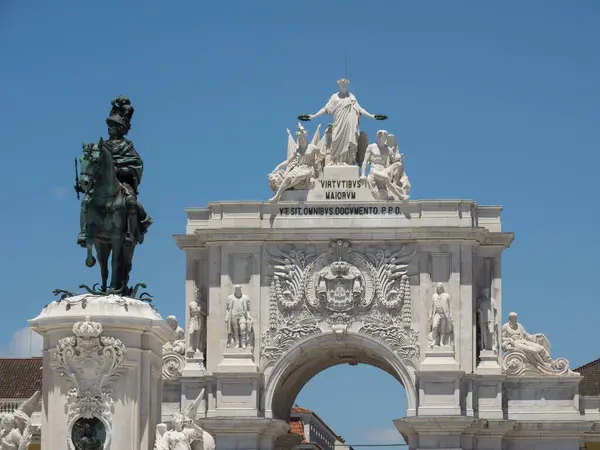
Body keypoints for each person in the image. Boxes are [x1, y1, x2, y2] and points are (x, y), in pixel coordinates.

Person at [77, 96, 153, 248]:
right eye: (109, 126)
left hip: (122, 183)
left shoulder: (127, 146)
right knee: (86, 202)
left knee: (131, 202)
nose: (110, 129)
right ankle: (84, 232)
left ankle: (131, 233)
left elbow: (137, 164)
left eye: (113, 126)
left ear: (120, 128)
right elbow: (93, 166)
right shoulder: (100, 146)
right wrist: (84, 182)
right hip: (100, 184)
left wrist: (121, 170)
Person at [307, 78, 383, 166]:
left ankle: (348, 161)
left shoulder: (351, 97)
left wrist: (371, 115)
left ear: (347, 86)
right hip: (338, 123)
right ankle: (335, 160)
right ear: (339, 86)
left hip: (349, 124)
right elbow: (325, 109)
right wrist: (314, 116)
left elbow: (359, 109)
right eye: (341, 85)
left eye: (344, 85)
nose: (343, 86)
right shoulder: (334, 97)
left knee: (349, 141)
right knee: (335, 139)